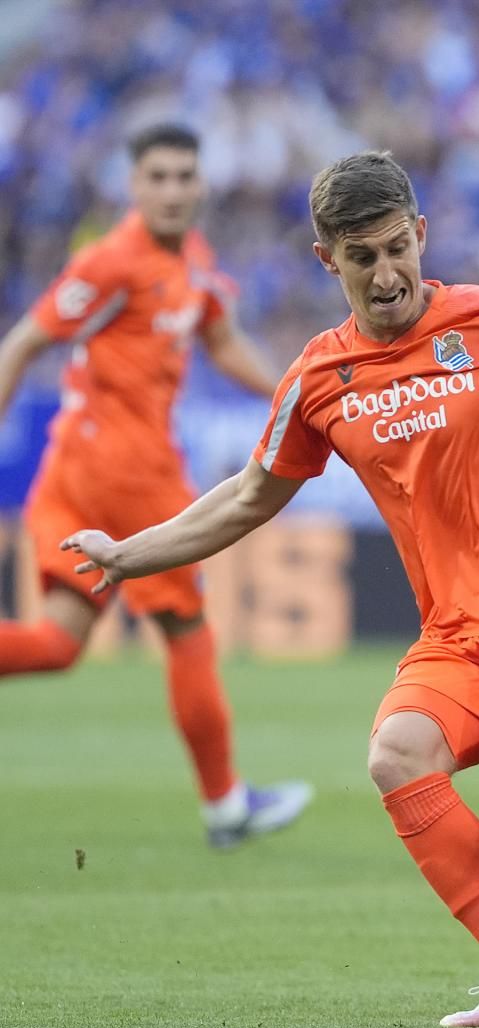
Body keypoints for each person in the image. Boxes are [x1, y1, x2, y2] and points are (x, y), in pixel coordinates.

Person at [62, 150, 479, 1028]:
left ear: (421, 235)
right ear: (326, 261)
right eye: (361, 258)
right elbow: (246, 496)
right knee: (396, 755)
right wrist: (130, 553)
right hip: (456, 637)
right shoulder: (318, 379)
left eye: (397, 250)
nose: (386, 276)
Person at [0, 122, 311, 848]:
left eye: (184, 177)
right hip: (125, 471)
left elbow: (222, 338)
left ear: (202, 184)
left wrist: (294, 393)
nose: (173, 191)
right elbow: (23, 342)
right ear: (133, 186)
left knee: (56, 643)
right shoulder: (111, 262)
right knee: (187, 628)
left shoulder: (193, 260)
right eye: (158, 178)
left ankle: (227, 804)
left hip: (83, 467)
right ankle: (226, 806)